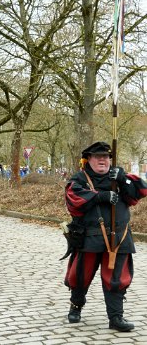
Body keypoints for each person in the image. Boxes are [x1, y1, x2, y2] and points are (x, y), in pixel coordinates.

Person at [64, 142, 147, 332]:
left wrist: (123, 179)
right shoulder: (80, 178)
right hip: (89, 236)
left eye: (106, 157)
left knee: (117, 278)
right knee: (80, 275)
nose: (103, 160)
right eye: (98, 156)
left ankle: (116, 317)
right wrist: (100, 196)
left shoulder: (118, 176)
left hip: (119, 238)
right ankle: (76, 306)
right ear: (88, 159)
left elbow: (141, 191)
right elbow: (73, 198)